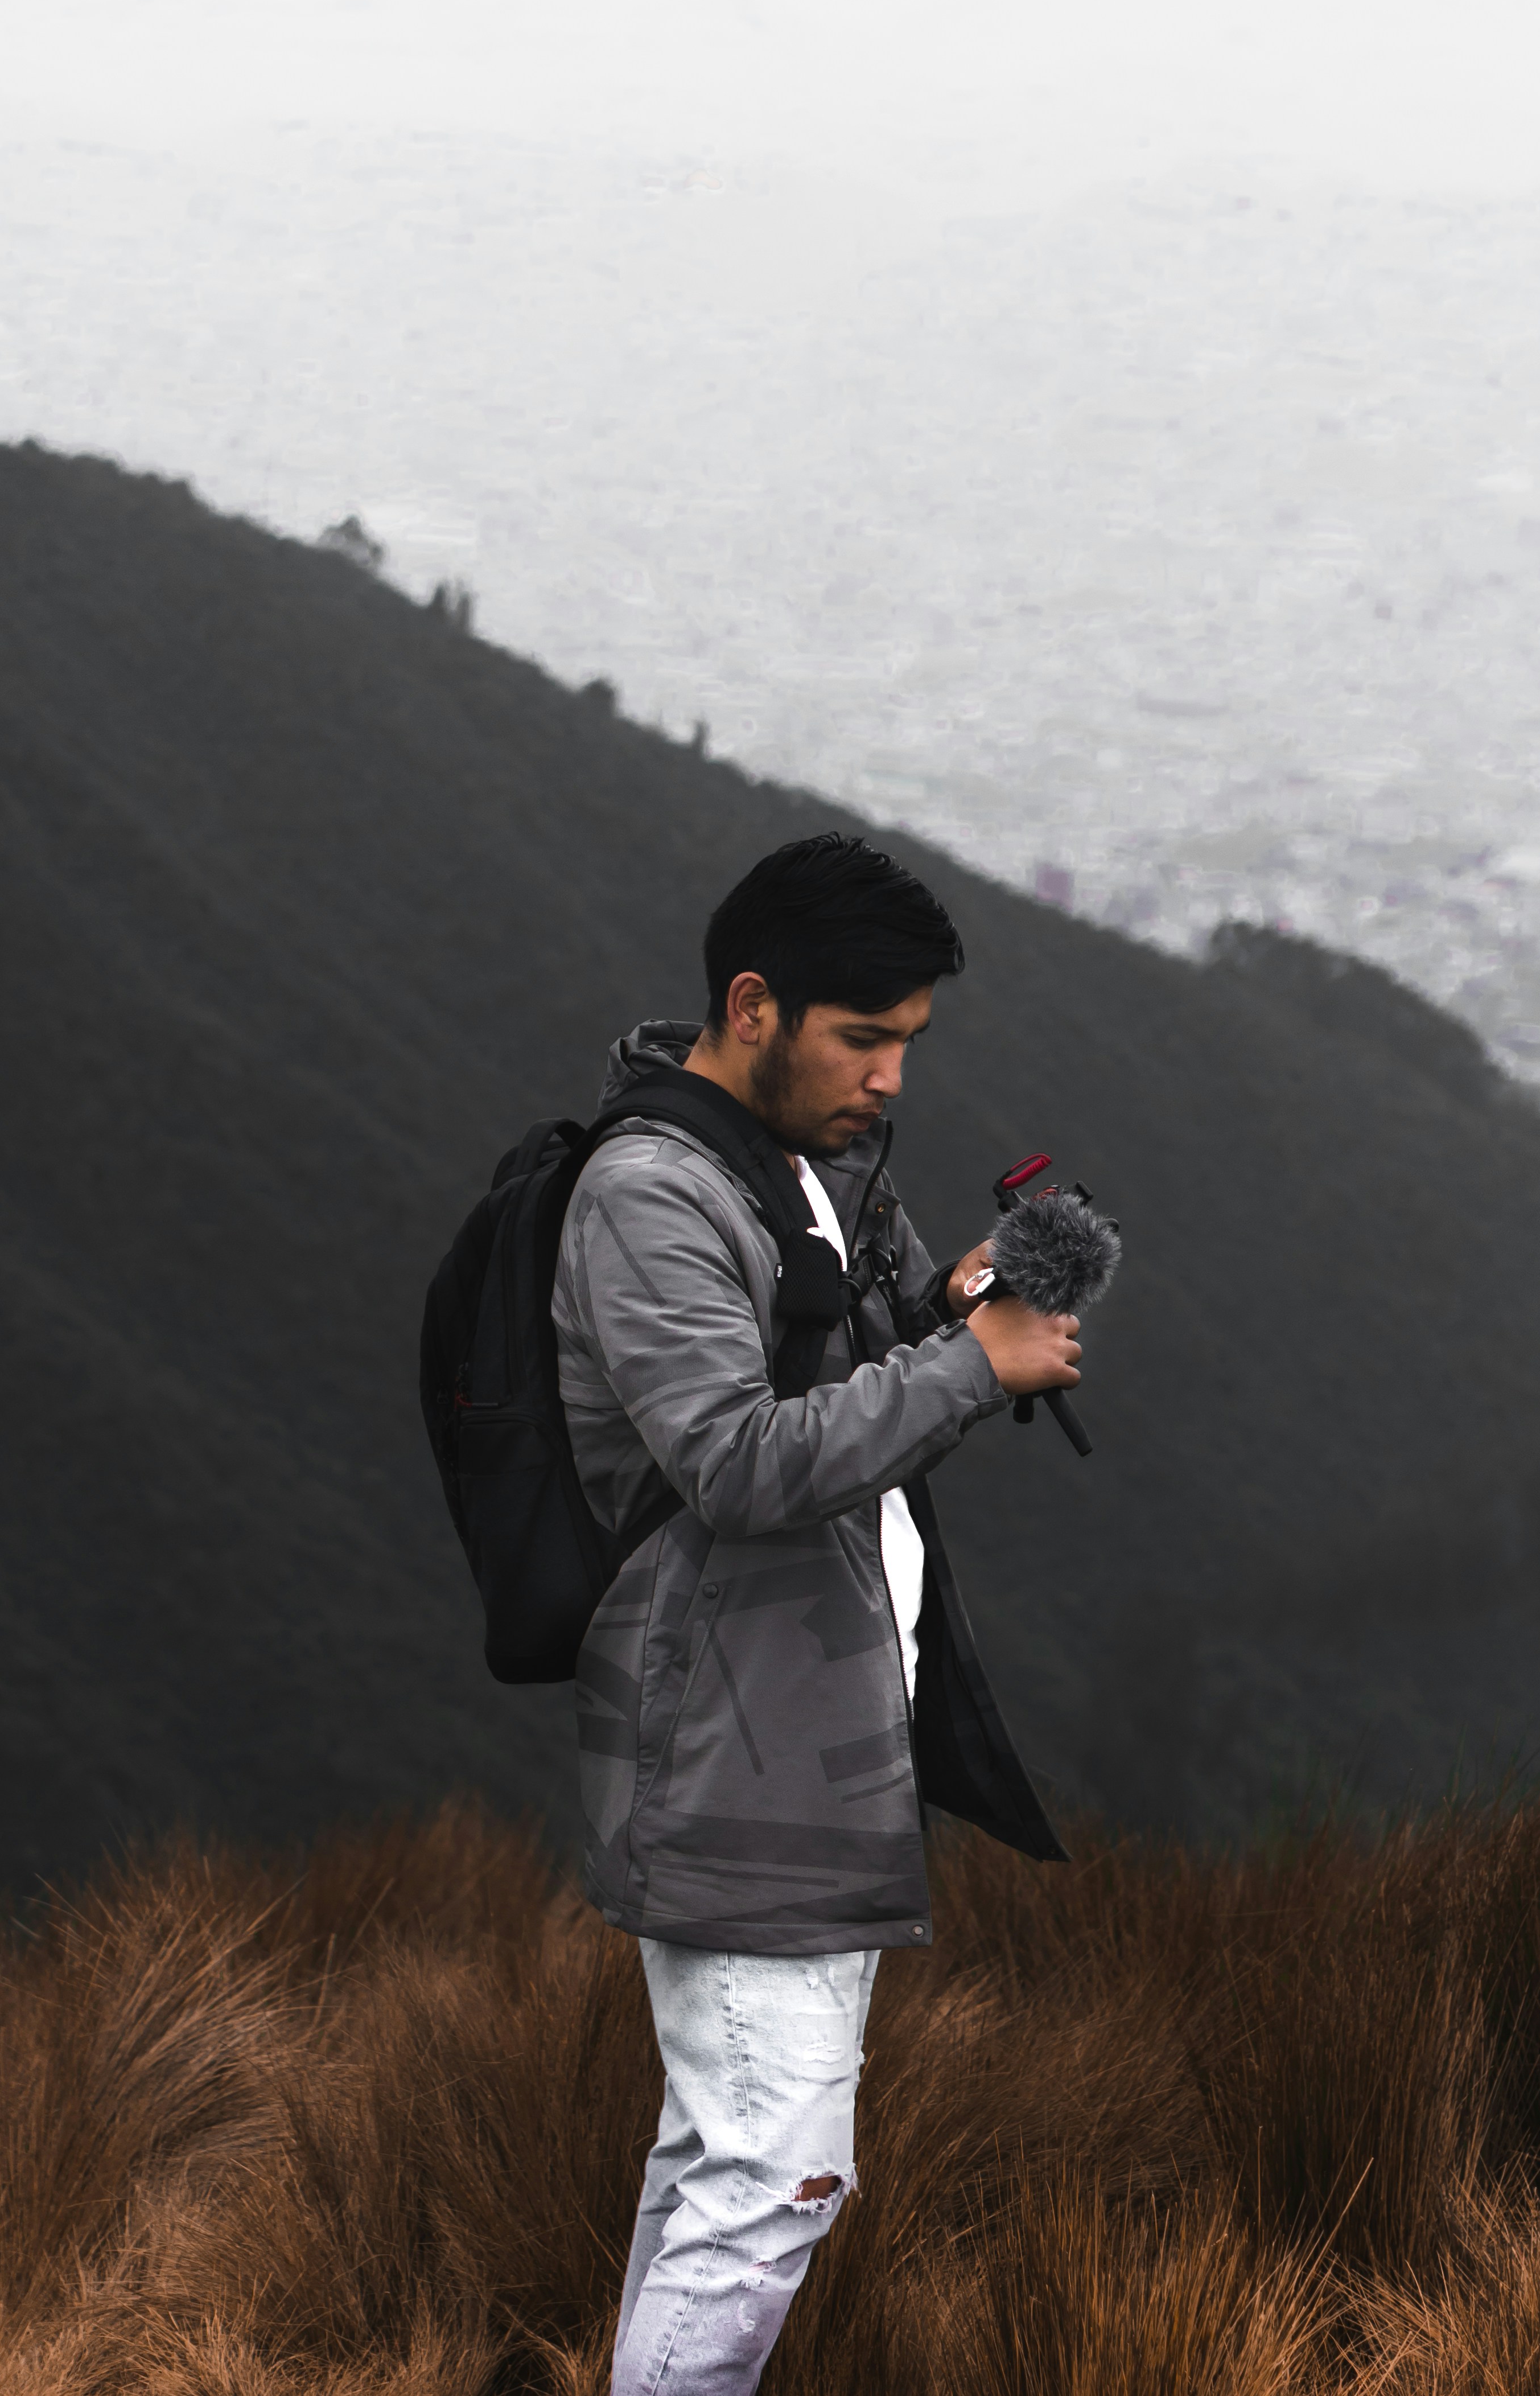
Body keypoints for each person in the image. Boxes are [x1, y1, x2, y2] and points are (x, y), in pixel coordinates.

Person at [553, 830, 1081, 2395]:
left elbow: (841, 1365)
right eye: (864, 1040)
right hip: (730, 1742)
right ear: (755, 1004)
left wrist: (940, 1312)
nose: (892, 1080)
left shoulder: (807, 1165)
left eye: (909, 1043)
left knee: (721, 2163)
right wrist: (974, 1369)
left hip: (808, 1725)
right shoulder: (649, 1195)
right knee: (776, 2179)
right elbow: (730, 1458)